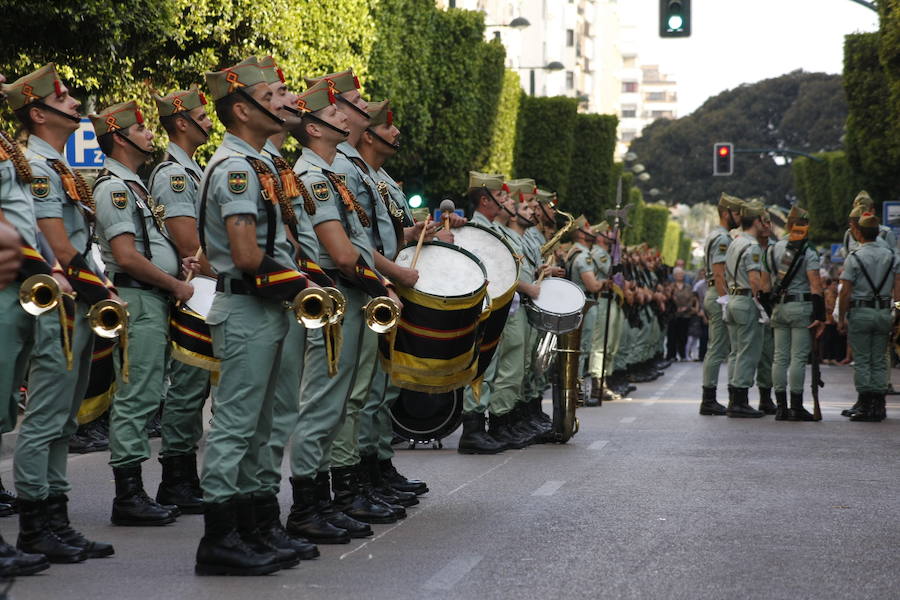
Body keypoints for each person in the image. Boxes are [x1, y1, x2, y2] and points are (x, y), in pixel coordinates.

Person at [195, 59, 310, 575]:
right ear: (241, 110)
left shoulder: (258, 163)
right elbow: (245, 256)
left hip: (264, 307)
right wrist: (306, 287)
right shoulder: (238, 168)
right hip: (245, 307)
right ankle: (218, 540)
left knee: (261, 426)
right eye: (272, 94)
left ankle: (251, 526)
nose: (286, 101)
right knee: (236, 427)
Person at [8, 62, 115, 562]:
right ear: (39, 111)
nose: (74, 103)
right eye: (65, 97)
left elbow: (79, 243)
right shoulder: (37, 165)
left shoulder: (57, 164)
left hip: (80, 301)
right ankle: (36, 524)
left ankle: (56, 518)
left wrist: (100, 287)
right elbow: (57, 247)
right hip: (62, 303)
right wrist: (103, 292)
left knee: (65, 420)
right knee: (47, 418)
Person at [91, 99, 198, 525]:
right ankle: (128, 495)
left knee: (150, 390)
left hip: (153, 298)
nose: (151, 134)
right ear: (119, 137)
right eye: (141, 130)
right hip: (138, 298)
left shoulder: (134, 184)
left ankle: (144, 489)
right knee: (138, 394)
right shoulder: (113, 188)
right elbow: (127, 257)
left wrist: (179, 265)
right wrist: (175, 282)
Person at [147, 85, 213, 514]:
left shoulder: (192, 170)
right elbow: (190, 245)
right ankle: (175, 478)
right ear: (182, 123)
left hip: (204, 287)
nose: (209, 120)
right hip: (196, 289)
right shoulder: (173, 175)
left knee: (198, 383)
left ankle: (185, 477)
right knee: (188, 385)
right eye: (202, 116)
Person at [838, 210, 900, 422]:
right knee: (880, 359)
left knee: (863, 359)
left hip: (861, 311)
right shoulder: (891, 256)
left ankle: (865, 403)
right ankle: (879, 404)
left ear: (860, 234)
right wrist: (898, 314)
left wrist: (841, 318)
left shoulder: (854, 257)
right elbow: (898, 290)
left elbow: (845, 291)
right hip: (883, 311)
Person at [769, 206, 825, 421]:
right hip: (800, 307)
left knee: (779, 358)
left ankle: (781, 407)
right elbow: (815, 285)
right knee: (798, 358)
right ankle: (796, 406)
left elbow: (766, 282)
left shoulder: (774, 248)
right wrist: (820, 316)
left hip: (779, 307)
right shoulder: (808, 250)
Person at [699, 193, 743, 415]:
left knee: (716, 347)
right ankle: (708, 399)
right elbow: (718, 274)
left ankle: (710, 398)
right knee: (717, 348)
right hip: (718, 295)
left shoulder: (715, 235)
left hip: (713, 294)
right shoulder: (723, 239)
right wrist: (725, 300)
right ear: (726, 214)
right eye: (736, 213)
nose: (739, 217)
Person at [722, 199, 767, 418]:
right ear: (757, 220)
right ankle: (740, 400)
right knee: (748, 352)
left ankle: (733, 397)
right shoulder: (752, 246)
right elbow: (755, 280)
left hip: (732, 299)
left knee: (736, 352)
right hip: (746, 301)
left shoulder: (735, 242)